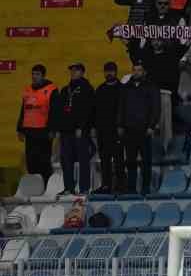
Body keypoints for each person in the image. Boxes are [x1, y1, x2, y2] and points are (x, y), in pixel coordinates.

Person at [49, 63, 93, 194]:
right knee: (66, 160)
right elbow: (59, 111)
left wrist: (81, 126)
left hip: (80, 131)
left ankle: (84, 188)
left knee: (83, 160)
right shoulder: (65, 90)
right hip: (65, 131)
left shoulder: (87, 89)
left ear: (82, 72)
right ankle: (69, 187)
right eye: (72, 70)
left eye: (76, 70)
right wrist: (58, 129)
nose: (73, 72)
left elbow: (88, 110)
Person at [118, 61, 161, 194]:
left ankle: (145, 187)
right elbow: (121, 107)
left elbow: (156, 108)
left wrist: (151, 126)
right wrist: (120, 124)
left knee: (146, 161)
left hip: (144, 130)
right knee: (130, 161)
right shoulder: (126, 88)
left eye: (139, 70)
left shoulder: (151, 87)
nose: (136, 72)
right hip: (129, 129)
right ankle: (131, 188)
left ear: (144, 72)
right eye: (134, 70)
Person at [16, 64, 55, 181]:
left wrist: (52, 129)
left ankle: (46, 185)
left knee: (43, 161)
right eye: (33, 74)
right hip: (29, 131)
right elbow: (23, 110)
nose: (34, 76)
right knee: (31, 161)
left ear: (43, 76)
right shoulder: (28, 90)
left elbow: (55, 111)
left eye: (37, 74)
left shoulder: (51, 89)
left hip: (44, 131)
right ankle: (35, 186)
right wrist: (20, 129)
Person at [93, 62, 124, 193]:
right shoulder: (100, 89)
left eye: (111, 71)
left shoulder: (122, 89)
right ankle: (106, 185)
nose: (109, 73)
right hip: (102, 130)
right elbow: (94, 110)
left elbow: (124, 109)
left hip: (117, 130)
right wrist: (95, 127)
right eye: (106, 71)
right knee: (104, 159)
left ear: (116, 72)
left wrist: (121, 125)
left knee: (118, 159)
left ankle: (121, 185)